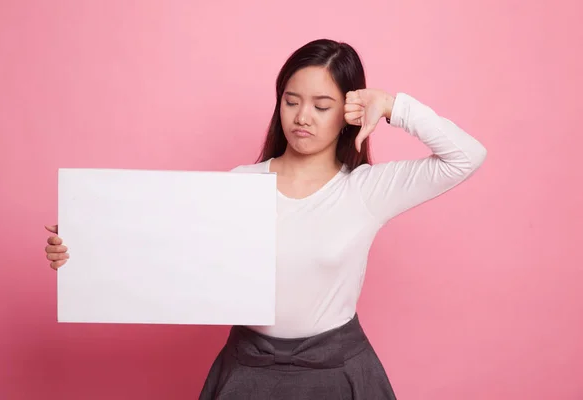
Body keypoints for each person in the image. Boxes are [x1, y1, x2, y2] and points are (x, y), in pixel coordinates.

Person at [44, 39, 487, 399]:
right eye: (292, 101)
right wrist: (87, 246)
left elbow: (466, 157)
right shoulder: (242, 183)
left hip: (338, 374)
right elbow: (170, 258)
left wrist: (391, 105)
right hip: (248, 372)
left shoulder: (366, 189)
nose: (302, 117)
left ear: (349, 113)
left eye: (321, 105)